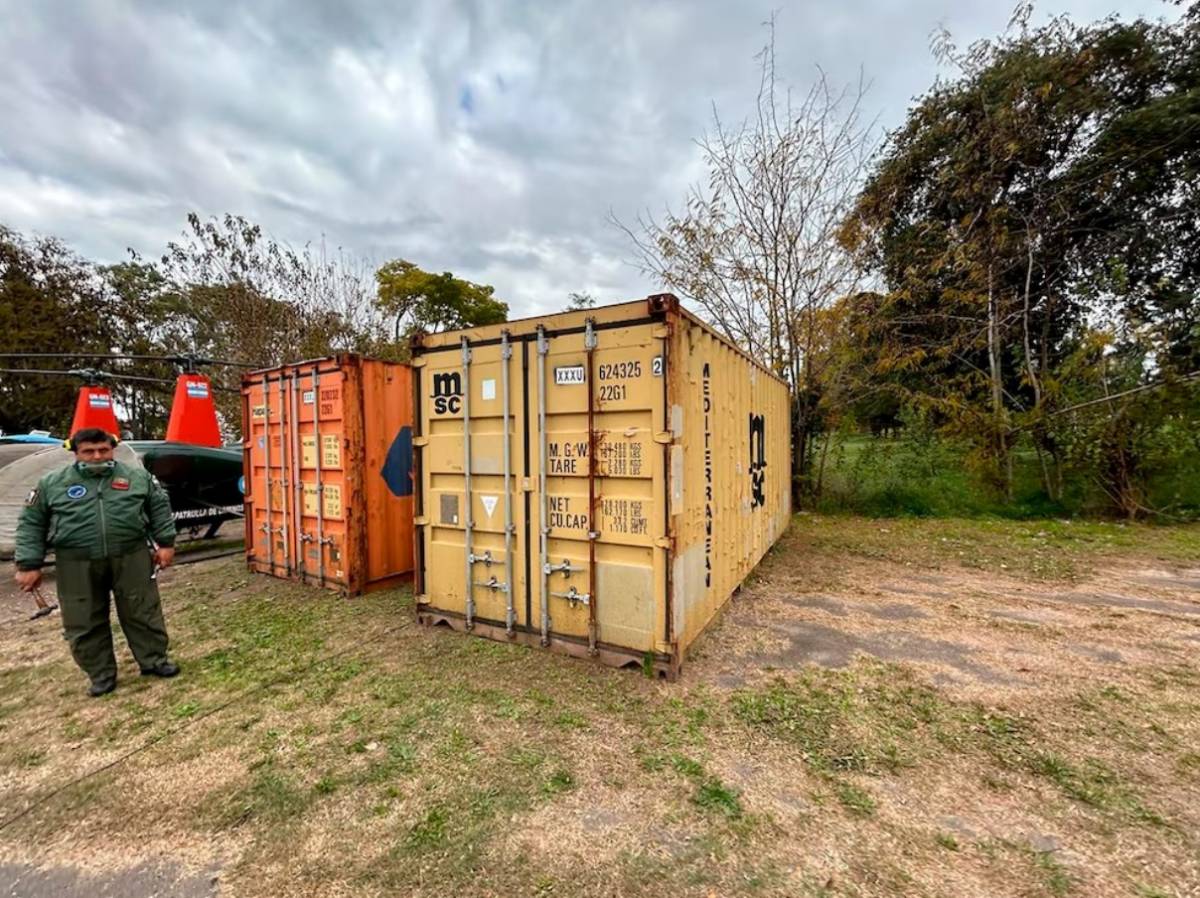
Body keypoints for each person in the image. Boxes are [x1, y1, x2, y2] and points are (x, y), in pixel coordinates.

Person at [13, 427, 180, 696]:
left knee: (143, 610)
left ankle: (154, 661)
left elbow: (159, 509)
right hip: (76, 560)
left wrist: (166, 544)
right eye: (88, 452)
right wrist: (28, 565)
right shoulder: (52, 484)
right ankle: (101, 674)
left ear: (112, 448)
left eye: (103, 450)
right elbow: (31, 524)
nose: (97, 456)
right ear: (75, 453)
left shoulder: (137, 477)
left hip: (131, 555)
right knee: (83, 618)